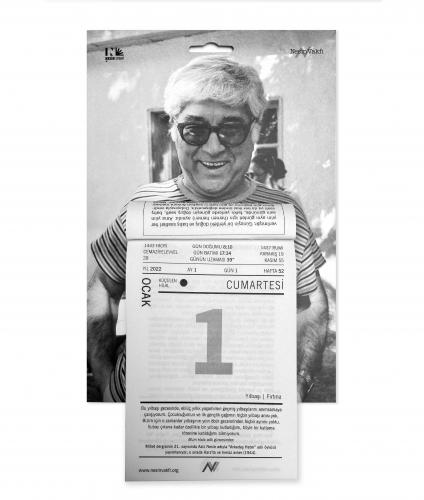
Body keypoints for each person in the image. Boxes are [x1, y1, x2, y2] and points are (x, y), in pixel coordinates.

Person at [87, 55, 328, 402]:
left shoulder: (284, 211)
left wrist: (300, 382)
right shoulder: (143, 206)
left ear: (254, 132)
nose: (213, 148)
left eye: (231, 128)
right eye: (195, 129)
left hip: (246, 412)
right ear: (174, 132)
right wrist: (106, 380)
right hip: (145, 410)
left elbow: (311, 302)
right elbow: (101, 288)